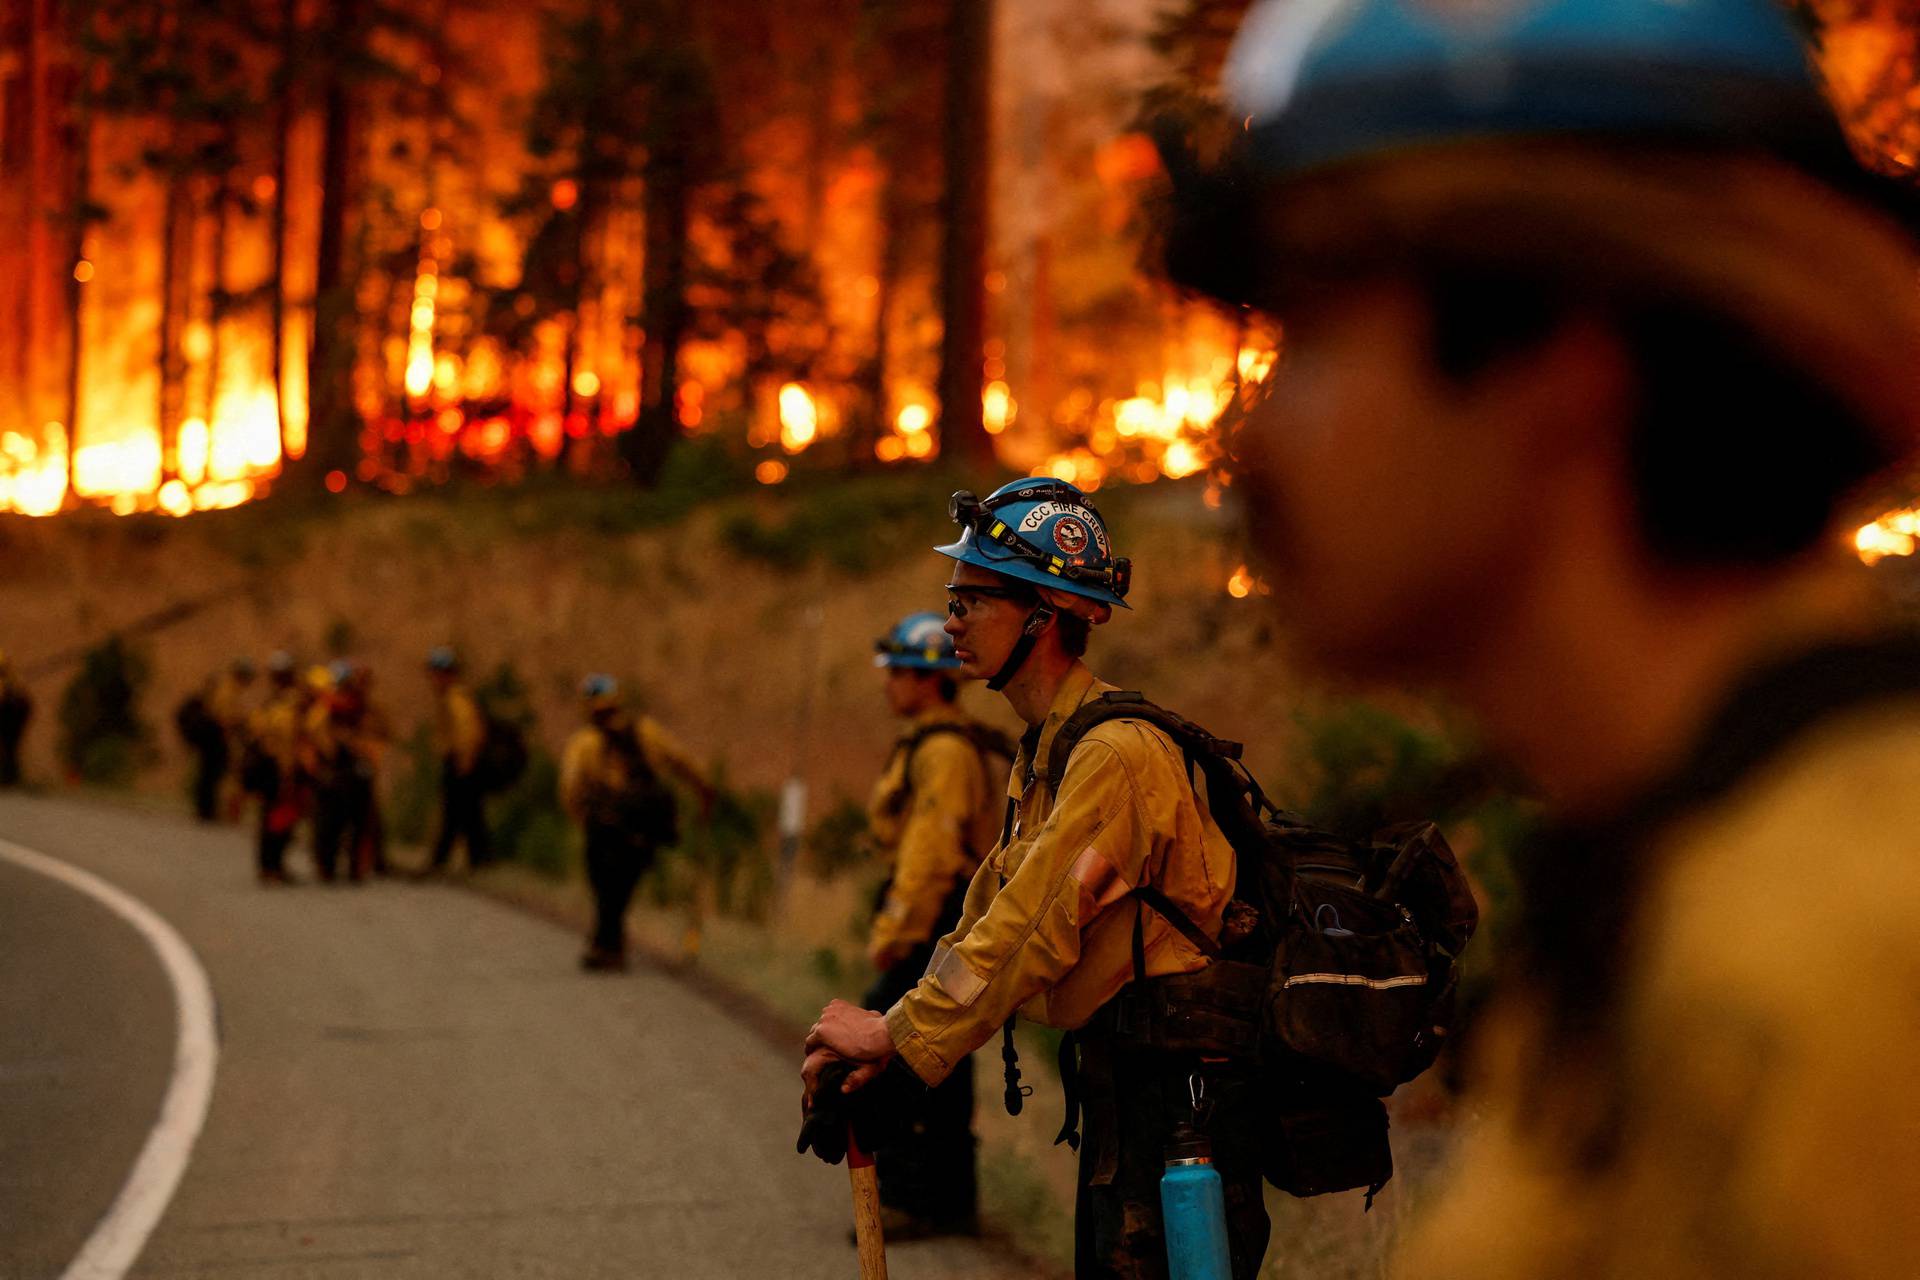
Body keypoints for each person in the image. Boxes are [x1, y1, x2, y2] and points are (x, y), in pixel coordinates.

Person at [1166, 1, 1920, 1274]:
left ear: (1562, 365)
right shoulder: (1672, 890)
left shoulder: (1851, 966)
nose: (1255, 442)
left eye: (1319, 335)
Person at [802, 481, 1265, 1278]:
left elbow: (1034, 927)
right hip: (1128, 1095)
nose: (950, 620)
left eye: (970, 599)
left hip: (1183, 1116)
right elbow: (990, 916)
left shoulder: (1114, 757)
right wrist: (903, 1049)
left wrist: (900, 1040)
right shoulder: (1049, 751)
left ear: (1044, 615)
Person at [858, 611, 1007, 1239]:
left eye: (899, 670)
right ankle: (949, 1200)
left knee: (892, 1047)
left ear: (930, 679)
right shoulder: (937, 740)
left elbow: (930, 855)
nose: (889, 682)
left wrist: (895, 935)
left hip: (935, 914)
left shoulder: (943, 751)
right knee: (941, 1058)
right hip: (945, 912)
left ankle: (912, 1198)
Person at [558, 674, 714, 970]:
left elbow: (570, 786)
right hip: (643, 829)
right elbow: (681, 760)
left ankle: (606, 947)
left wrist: (582, 818)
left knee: (605, 887)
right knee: (621, 888)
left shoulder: (584, 742)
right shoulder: (646, 731)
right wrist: (705, 791)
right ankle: (607, 945)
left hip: (603, 828)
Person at [309, 661, 390, 882]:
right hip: (332, 772)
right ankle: (326, 867)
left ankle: (358, 866)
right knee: (328, 823)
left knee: (360, 820)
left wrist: (358, 744)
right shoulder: (323, 710)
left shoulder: (364, 709)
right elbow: (316, 738)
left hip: (356, 772)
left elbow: (381, 733)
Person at [422, 646, 490, 875]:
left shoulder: (456, 698)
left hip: (462, 763)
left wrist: (465, 760)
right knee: (467, 815)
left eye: (437, 673)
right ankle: (475, 860)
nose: (433, 679)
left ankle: (443, 860)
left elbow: (468, 731)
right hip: (462, 762)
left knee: (459, 813)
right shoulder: (452, 697)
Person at [244, 651, 306, 884]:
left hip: (268, 766)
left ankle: (269, 866)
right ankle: (272, 866)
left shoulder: (270, 704)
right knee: (280, 817)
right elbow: (287, 740)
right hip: (279, 767)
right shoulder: (288, 704)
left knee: (270, 817)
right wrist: (287, 772)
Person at [183, 657, 255, 821]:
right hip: (214, 738)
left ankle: (207, 809)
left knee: (210, 774)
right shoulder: (228, 690)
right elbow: (223, 717)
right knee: (211, 774)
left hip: (215, 737)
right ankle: (206, 810)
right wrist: (238, 723)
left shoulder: (230, 688)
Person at [0, 650, 30, 787]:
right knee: (10, 748)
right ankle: (9, 776)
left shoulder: (10, 682)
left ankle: (10, 777)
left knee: (10, 748)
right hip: (10, 712)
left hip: (9, 714)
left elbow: (19, 699)